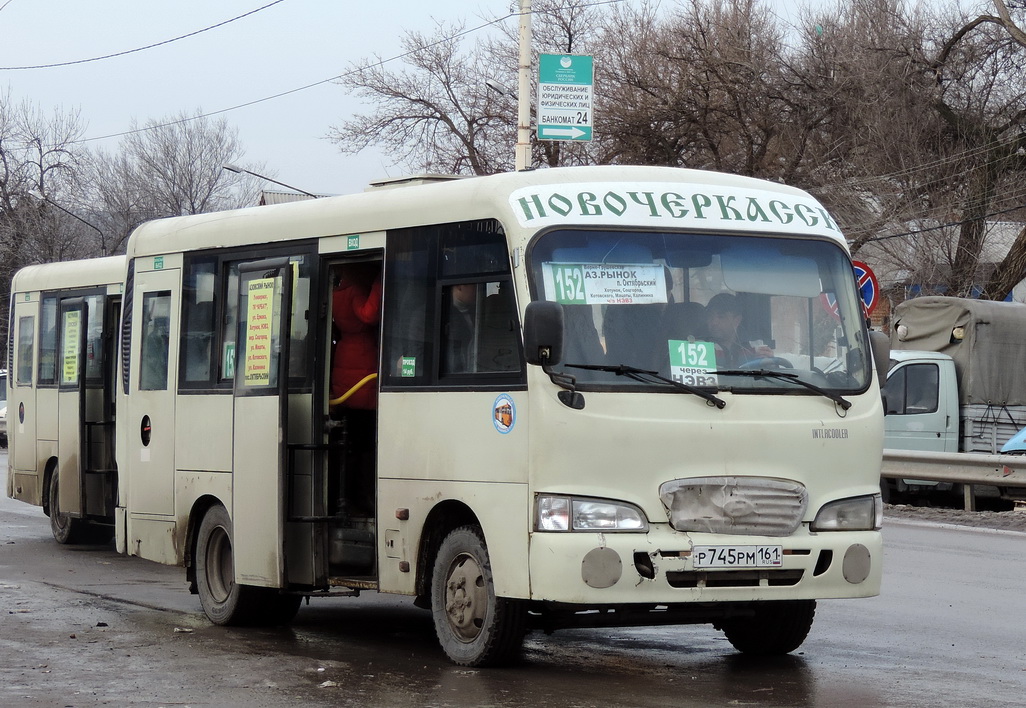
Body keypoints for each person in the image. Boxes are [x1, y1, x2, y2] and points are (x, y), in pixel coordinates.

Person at [330, 264, 382, 408]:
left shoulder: (335, 294)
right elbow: (368, 315)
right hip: (363, 356)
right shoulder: (356, 291)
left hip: (343, 356)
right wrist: (379, 284)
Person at [705, 293, 770, 368]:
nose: (714, 322)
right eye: (710, 316)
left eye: (721, 317)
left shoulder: (755, 346)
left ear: (737, 320)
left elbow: (768, 377)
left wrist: (770, 363)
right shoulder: (700, 347)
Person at [445, 282, 477, 373]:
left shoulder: (475, 310)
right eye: (473, 286)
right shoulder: (445, 314)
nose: (476, 290)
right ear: (459, 287)